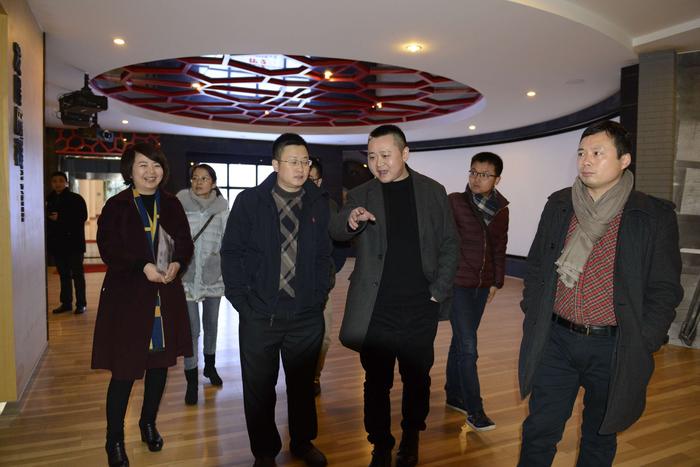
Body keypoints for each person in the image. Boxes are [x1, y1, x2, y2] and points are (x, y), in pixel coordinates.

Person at [518, 120, 683, 466]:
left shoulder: (651, 215)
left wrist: (644, 339)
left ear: (624, 160)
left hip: (614, 346)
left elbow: (665, 288)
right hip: (556, 340)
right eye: (581, 153)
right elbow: (536, 265)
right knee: (539, 430)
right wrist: (533, 310)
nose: (586, 161)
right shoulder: (560, 204)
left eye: (597, 153)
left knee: (600, 435)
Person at [329, 125, 458, 467]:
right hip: (376, 308)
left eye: (385, 155)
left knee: (417, 379)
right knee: (376, 382)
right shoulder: (362, 194)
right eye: (372, 156)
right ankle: (380, 445)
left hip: (421, 306)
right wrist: (352, 220)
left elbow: (450, 243)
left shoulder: (432, 191)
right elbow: (337, 228)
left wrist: (438, 292)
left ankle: (411, 438)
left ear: (405, 153)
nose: (378, 163)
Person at [221, 133, 331, 467]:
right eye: (293, 161)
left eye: (305, 161)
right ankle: (265, 452)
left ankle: (302, 442)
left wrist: (320, 293)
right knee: (259, 389)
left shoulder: (319, 201)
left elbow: (327, 255)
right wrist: (242, 301)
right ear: (275, 164)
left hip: (306, 315)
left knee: (302, 386)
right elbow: (231, 253)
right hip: (260, 314)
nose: (301, 168)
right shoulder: (250, 201)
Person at [91, 143, 194, 467]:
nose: (151, 172)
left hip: (164, 295)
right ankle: (114, 440)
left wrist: (178, 263)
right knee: (124, 372)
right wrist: (142, 266)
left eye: (156, 165)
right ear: (130, 171)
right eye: (143, 165)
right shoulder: (118, 205)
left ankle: (148, 423)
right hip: (129, 298)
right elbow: (108, 247)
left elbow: (184, 242)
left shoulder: (172, 204)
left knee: (159, 366)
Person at [444, 152, 508, 431]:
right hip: (458, 283)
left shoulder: (502, 210)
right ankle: (475, 409)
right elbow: (444, 240)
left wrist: (496, 282)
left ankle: (453, 394)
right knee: (469, 347)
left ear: (497, 179)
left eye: (484, 174)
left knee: (460, 341)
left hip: (481, 287)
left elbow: (499, 247)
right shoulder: (455, 202)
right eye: (473, 172)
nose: (476, 179)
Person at [177, 164, 229, 405]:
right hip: (187, 275)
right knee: (191, 330)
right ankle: (191, 380)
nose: (198, 182)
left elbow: (228, 241)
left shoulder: (222, 210)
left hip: (212, 274)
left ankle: (210, 366)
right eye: (195, 178)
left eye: (204, 178)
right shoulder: (180, 206)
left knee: (211, 325)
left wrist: (219, 260)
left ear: (213, 183)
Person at [308, 158, 346, 396]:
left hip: (322, 285)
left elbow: (340, 245)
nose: (307, 183)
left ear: (320, 181)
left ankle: (314, 376)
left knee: (323, 337)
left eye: (312, 179)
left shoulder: (329, 206)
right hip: (292, 286)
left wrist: (330, 270)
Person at [46, 171, 88, 314]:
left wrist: (60, 217)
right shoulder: (49, 199)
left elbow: (82, 217)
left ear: (66, 182)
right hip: (58, 244)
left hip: (74, 244)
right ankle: (66, 303)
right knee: (63, 275)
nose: (57, 184)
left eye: (60, 180)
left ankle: (81, 304)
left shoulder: (76, 199)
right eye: (54, 181)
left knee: (77, 275)